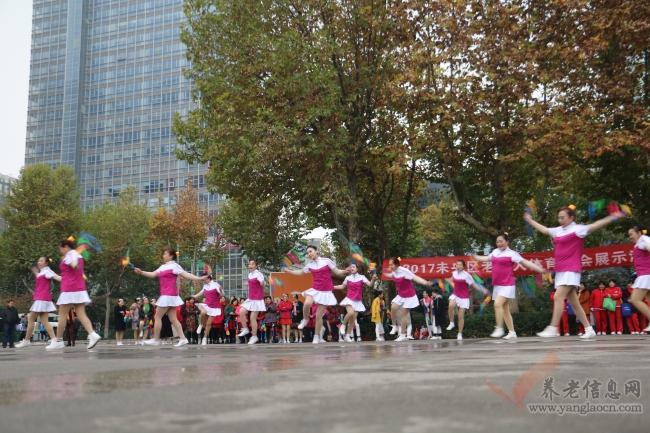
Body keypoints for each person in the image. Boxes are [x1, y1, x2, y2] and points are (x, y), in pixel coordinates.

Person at [525, 205, 625, 339]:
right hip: (561, 269)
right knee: (574, 302)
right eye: (559, 218)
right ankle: (589, 329)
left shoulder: (578, 229)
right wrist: (530, 220)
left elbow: (596, 225)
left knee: (558, 297)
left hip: (571, 269)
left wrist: (613, 217)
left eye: (563, 218)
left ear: (571, 218)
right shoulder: (558, 231)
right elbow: (543, 230)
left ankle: (553, 327)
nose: (560, 220)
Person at [472, 233, 545, 339]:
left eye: (501, 241)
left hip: (507, 284)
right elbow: (486, 259)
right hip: (498, 285)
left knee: (497, 304)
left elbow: (525, 263)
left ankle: (499, 328)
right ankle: (512, 332)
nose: (499, 243)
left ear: (507, 242)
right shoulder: (495, 252)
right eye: (497, 242)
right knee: (505, 309)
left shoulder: (512, 253)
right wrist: (475, 256)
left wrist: (540, 269)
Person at [133, 248, 207, 347]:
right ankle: (183, 338)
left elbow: (185, 274)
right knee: (173, 318)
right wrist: (141, 272)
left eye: (165, 254)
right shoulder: (163, 267)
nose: (163, 255)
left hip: (168, 295)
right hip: (168, 295)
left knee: (157, 317)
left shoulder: (174, 266)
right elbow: (153, 274)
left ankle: (155, 339)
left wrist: (199, 278)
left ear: (171, 256)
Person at [283, 245, 349, 344]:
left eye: (311, 251)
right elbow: (301, 272)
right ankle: (305, 320)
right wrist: (289, 271)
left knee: (318, 316)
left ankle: (316, 336)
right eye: (307, 253)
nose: (309, 254)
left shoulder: (326, 261)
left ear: (316, 251)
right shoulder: (309, 265)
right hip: (315, 289)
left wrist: (343, 271)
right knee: (307, 304)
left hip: (325, 292)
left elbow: (336, 271)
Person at [51, 238, 102, 350]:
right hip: (79, 288)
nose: (60, 251)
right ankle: (93, 334)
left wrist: (74, 264)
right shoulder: (77, 255)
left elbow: (73, 263)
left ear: (66, 247)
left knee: (62, 315)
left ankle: (58, 340)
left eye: (60, 248)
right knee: (81, 314)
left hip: (69, 289)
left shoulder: (71, 255)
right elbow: (69, 272)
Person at [383, 257, 433, 342]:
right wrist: (383, 273)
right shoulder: (394, 272)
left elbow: (415, 277)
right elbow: (390, 275)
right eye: (389, 265)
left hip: (409, 296)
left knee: (403, 314)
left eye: (391, 265)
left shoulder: (404, 271)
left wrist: (425, 282)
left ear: (396, 264)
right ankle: (394, 327)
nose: (390, 266)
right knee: (393, 308)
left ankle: (402, 335)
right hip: (401, 295)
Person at [16, 257, 59, 348]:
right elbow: (40, 277)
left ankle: (27, 340)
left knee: (31, 319)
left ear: (46, 263)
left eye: (41, 261)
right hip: (42, 298)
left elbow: (58, 277)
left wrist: (70, 277)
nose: (38, 262)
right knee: (45, 321)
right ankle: (54, 340)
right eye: (38, 261)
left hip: (42, 299)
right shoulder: (42, 272)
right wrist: (35, 272)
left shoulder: (48, 271)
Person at [333, 262, 376, 342]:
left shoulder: (362, 277)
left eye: (353, 267)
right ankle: (343, 325)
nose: (352, 268)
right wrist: (333, 287)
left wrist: (373, 280)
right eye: (351, 267)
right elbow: (342, 286)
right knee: (350, 313)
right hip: (349, 299)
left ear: (357, 269)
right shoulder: (348, 278)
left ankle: (347, 335)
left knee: (353, 320)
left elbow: (370, 285)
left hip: (357, 301)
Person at [445, 260, 486, 340]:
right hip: (455, 294)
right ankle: (452, 323)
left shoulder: (467, 275)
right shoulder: (454, 273)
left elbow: (474, 284)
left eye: (460, 265)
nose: (458, 266)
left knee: (460, 316)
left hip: (464, 296)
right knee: (450, 306)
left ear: (463, 266)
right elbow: (451, 279)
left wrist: (482, 290)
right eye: (457, 265)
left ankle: (459, 334)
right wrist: (445, 278)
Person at [237, 260, 266, 345]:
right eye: (249, 264)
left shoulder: (259, 274)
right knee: (241, 312)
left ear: (256, 266)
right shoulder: (250, 274)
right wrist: (247, 284)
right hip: (250, 298)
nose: (250, 265)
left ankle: (254, 336)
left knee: (252, 318)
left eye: (252, 264)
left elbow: (262, 282)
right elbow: (253, 284)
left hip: (257, 298)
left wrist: (262, 282)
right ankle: (245, 329)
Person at [628, 225, 650, 333]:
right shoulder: (641, 241)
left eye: (632, 234)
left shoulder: (643, 241)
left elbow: (648, 247)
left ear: (639, 233)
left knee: (635, 299)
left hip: (646, 275)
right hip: (645, 275)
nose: (630, 237)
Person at [193, 272, 225, 345]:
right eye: (202, 279)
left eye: (204, 278)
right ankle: (200, 325)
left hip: (214, 306)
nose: (203, 280)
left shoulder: (215, 285)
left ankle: (204, 338)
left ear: (208, 278)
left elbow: (222, 295)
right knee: (203, 312)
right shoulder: (205, 286)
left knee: (208, 323)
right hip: (207, 304)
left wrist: (221, 290)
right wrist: (194, 296)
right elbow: (201, 293)